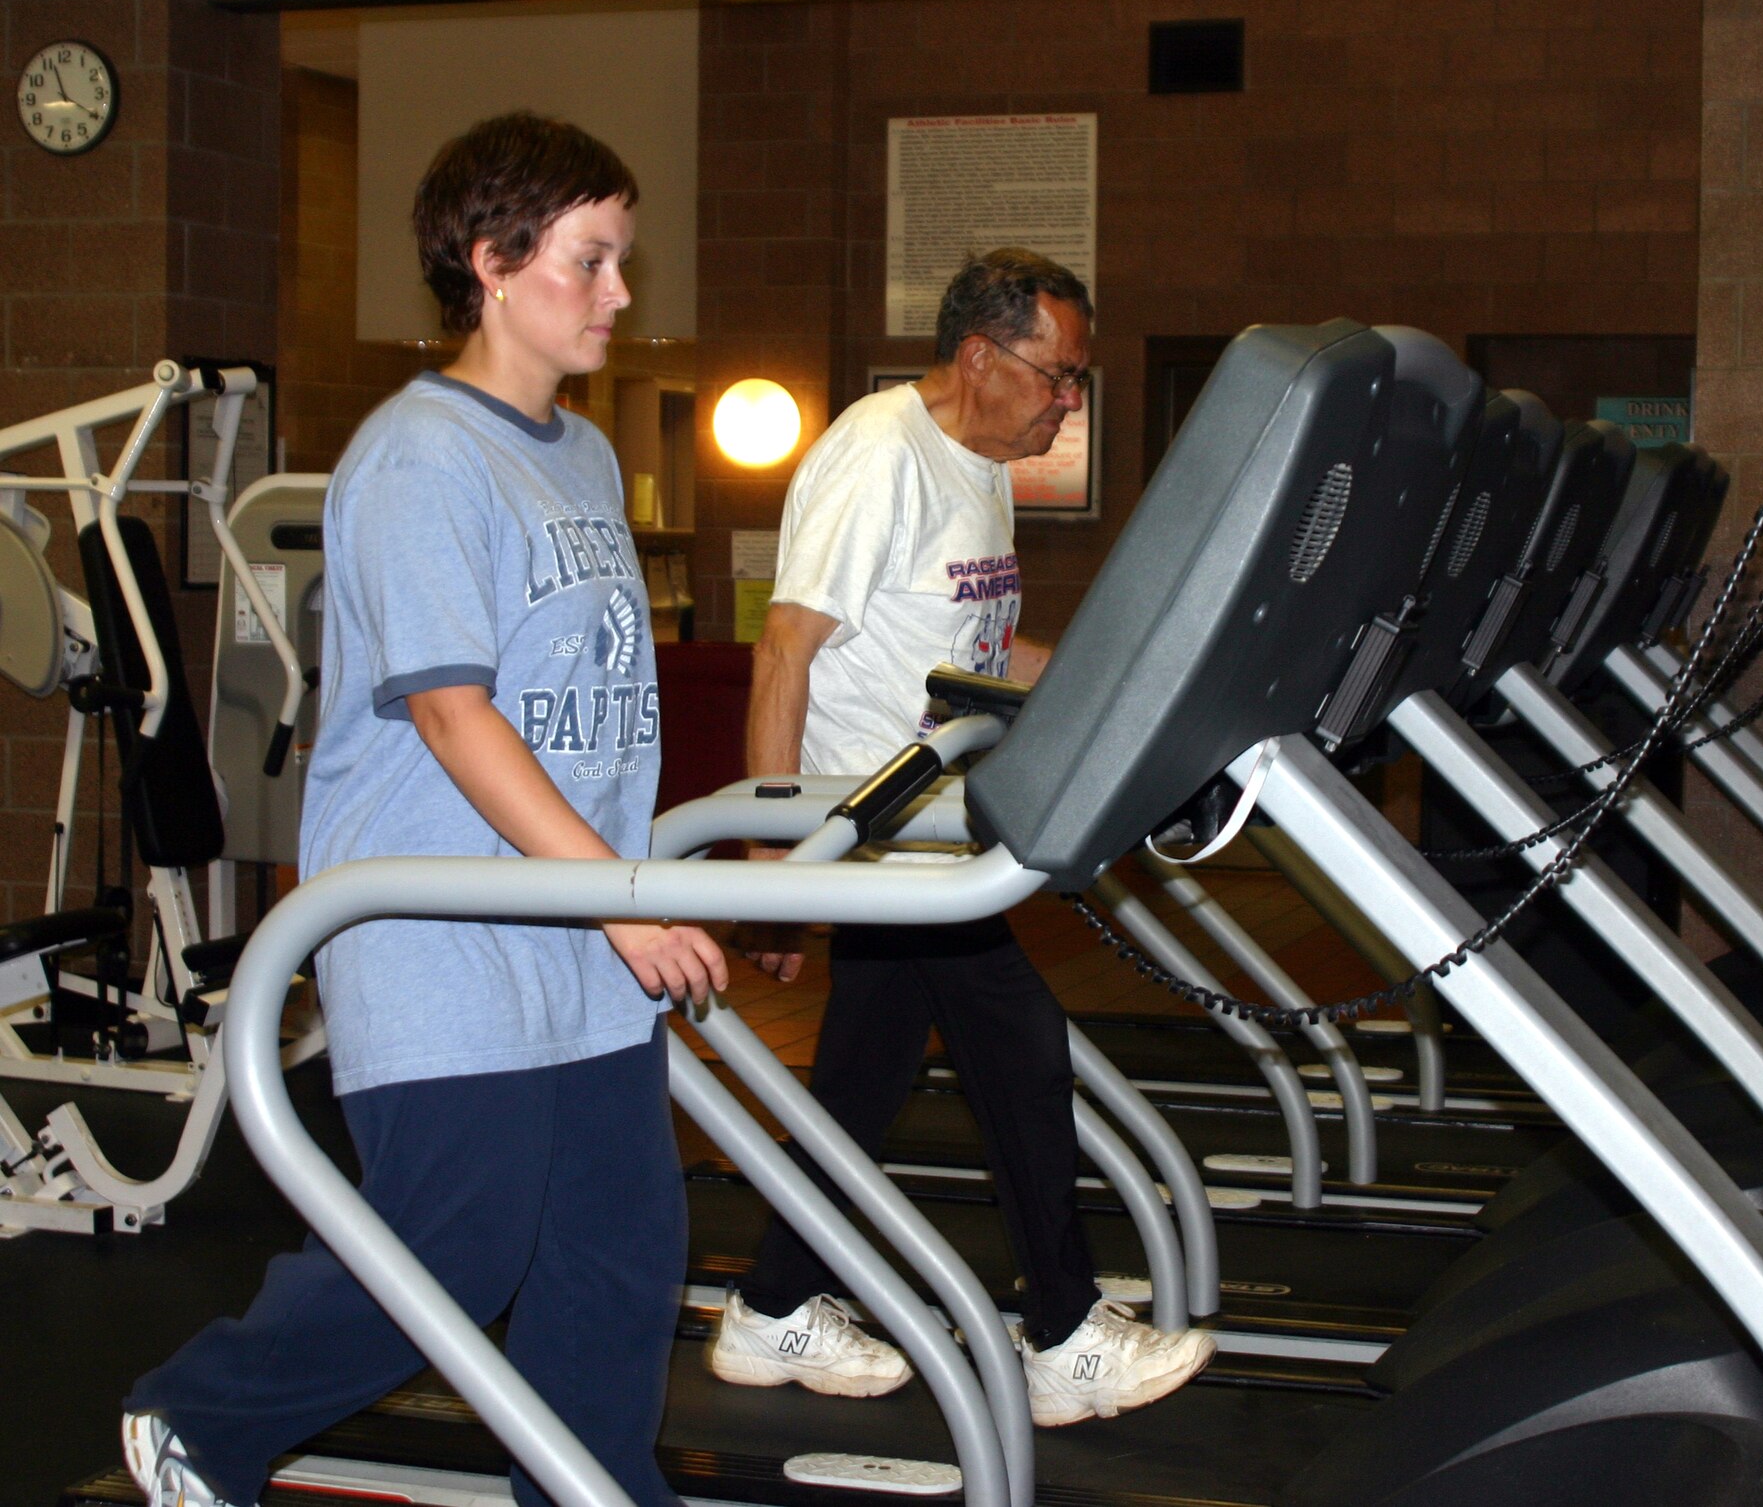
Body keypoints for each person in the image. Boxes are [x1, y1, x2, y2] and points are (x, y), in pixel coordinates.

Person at [119, 113, 728, 1507]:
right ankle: (200, 1415)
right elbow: (457, 715)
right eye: (593, 258)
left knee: (619, 1247)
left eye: (622, 257)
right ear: (492, 261)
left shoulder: (571, 453)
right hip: (439, 922)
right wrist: (627, 900)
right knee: (455, 1243)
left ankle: (593, 1489)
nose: (622, 291)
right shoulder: (418, 457)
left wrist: (619, 886)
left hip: (568, 916)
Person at [707, 248, 1215, 1427]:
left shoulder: (981, 463)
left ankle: (773, 1303)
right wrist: (776, 866)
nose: (1067, 401)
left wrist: (1117, 682)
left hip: (933, 828)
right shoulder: (879, 456)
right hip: (877, 834)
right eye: (1058, 375)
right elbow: (784, 647)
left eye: (1076, 379)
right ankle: (1063, 1328)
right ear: (980, 357)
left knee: (863, 1078)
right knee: (1019, 1045)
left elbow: (974, 656)